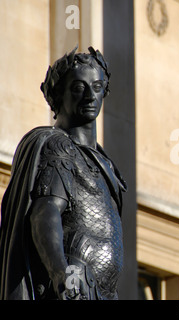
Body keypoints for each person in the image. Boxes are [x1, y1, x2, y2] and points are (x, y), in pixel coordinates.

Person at [0, 46, 127, 300]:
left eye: (97, 87)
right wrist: (60, 271)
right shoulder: (59, 146)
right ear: (59, 96)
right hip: (74, 287)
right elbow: (45, 213)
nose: (90, 96)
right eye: (79, 88)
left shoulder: (106, 165)